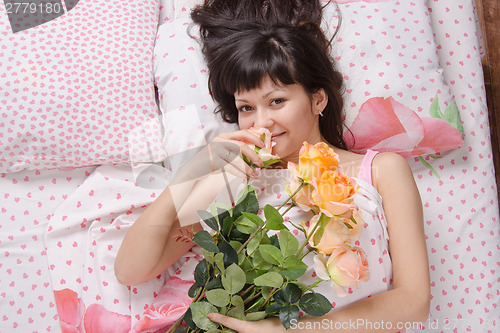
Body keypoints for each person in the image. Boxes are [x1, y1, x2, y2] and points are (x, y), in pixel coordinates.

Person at [115, 1, 430, 332]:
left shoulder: (381, 171)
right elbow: (131, 270)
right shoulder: (234, 181)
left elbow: (413, 301)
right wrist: (191, 173)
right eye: (247, 107)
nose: (262, 121)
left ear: (318, 99)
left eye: (277, 101)